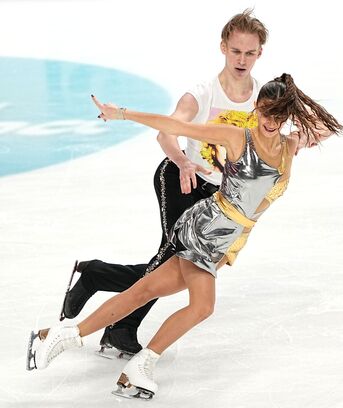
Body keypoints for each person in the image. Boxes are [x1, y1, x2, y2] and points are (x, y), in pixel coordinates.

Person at [28, 73, 343, 400]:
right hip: (208, 227)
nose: (271, 121)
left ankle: (61, 336)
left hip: (227, 240)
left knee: (144, 290)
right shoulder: (238, 138)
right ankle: (140, 367)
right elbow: (176, 127)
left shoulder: (288, 147)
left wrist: (296, 101)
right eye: (266, 112)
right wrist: (122, 113)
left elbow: (324, 129)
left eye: (280, 115)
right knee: (202, 306)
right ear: (256, 107)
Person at [59, 9, 271, 357]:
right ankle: (121, 327)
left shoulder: (262, 99)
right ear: (223, 47)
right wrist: (183, 159)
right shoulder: (201, 93)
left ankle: (97, 275)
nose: (242, 59)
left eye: (249, 53)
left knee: (176, 268)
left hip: (218, 197)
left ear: (259, 53)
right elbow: (167, 132)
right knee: (171, 258)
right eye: (236, 51)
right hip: (180, 178)